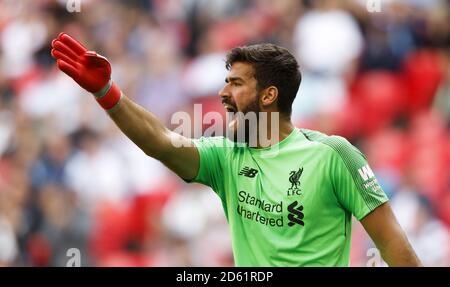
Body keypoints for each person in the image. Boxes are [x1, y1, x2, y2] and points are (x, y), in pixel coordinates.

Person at [50, 33, 422, 267]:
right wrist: (106, 92)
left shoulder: (333, 155)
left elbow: (395, 248)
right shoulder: (225, 158)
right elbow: (160, 142)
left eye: (235, 83)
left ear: (269, 95)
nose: (222, 94)